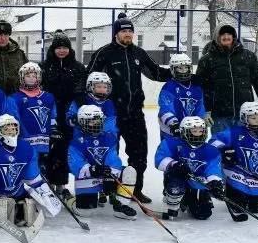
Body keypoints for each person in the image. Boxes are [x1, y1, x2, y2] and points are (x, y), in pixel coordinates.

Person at [87, 15, 173, 203]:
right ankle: (106, 189)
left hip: (134, 113)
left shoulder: (139, 53)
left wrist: (179, 73)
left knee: (139, 153)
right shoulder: (104, 53)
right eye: (123, 31)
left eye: (130, 31)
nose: (127, 34)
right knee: (109, 152)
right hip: (110, 114)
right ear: (116, 33)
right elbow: (89, 78)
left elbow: (155, 72)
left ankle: (133, 190)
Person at [0, 114, 62, 229]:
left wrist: (46, 194)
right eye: (6, 128)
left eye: (14, 127)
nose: (11, 130)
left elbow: (33, 179)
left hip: (17, 193)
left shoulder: (27, 148)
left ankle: (16, 210)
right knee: (0, 208)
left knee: (28, 210)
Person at [209, 102, 258, 221]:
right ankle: (233, 198)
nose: (257, 121)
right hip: (236, 177)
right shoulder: (235, 132)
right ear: (244, 118)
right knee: (238, 203)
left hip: (256, 181)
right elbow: (213, 141)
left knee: (256, 208)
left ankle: (253, 196)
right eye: (253, 118)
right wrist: (224, 150)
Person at [196, 25, 258, 133]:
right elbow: (201, 87)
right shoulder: (207, 60)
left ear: (234, 36)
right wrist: (204, 110)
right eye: (222, 34)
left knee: (244, 147)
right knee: (221, 147)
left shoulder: (248, 56)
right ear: (217, 37)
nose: (226, 37)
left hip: (245, 114)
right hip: (219, 116)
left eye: (229, 34)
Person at [66, 105, 137, 220]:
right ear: (82, 122)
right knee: (86, 212)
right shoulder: (76, 141)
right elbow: (74, 163)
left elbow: (113, 158)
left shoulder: (109, 137)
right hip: (87, 177)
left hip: (106, 174)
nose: (97, 123)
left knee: (130, 171)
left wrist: (110, 173)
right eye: (92, 121)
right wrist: (91, 169)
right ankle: (69, 198)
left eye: (99, 120)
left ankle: (121, 206)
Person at [6, 62, 65, 195]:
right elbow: (12, 119)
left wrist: (54, 129)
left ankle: (44, 195)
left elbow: (53, 116)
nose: (32, 78)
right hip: (25, 143)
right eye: (28, 75)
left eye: (34, 75)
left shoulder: (48, 97)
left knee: (43, 170)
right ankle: (24, 196)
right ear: (21, 77)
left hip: (44, 143)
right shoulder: (15, 98)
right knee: (26, 170)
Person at [40, 30, 86, 195]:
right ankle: (45, 183)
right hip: (47, 115)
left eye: (65, 47)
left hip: (68, 116)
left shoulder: (77, 68)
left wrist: (73, 111)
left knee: (63, 150)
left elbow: (81, 92)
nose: (61, 50)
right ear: (53, 49)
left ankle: (60, 184)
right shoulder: (44, 67)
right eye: (58, 47)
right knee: (46, 150)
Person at [154, 116, 225, 220]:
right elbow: (159, 159)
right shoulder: (171, 143)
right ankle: (171, 204)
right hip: (178, 178)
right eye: (194, 130)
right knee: (175, 186)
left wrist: (215, 182)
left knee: (203, 213)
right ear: (184, 131)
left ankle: (186, 199)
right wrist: (175, 164)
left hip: (198, 183)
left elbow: (213, 168)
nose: (198, 133)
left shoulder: (211, 150)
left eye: (201, 130)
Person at [158, 54, 207, 140]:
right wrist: (174, 124)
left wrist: (200, 122)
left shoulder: (197, 87)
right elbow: (165, 109)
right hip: (171, 132)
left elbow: (200, 108)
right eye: (180, 68)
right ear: (173, 69)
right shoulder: (169, 87)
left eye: (186, 67)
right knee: (170, 152)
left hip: (191, 131)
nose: (184, 71)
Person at [67, 72, 118, 138]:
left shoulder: (109, 104)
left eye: (105, 87)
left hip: (103, 139)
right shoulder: (81, 100)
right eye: (99, 86)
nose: (102, 89)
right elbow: (70, 117)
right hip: (81, 139)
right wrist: (75, 119)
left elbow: (111, 123)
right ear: (90, 86)